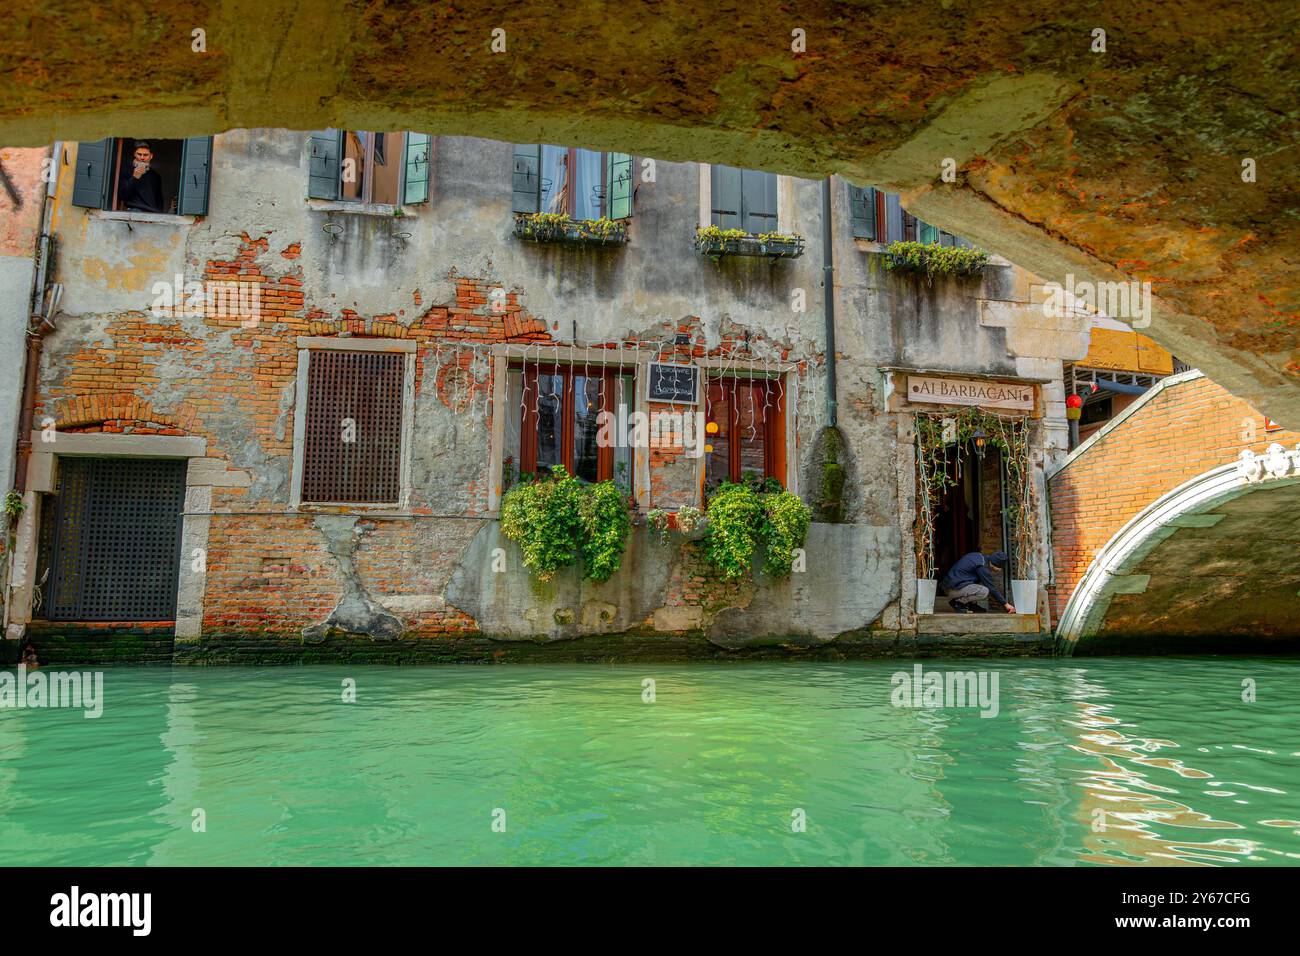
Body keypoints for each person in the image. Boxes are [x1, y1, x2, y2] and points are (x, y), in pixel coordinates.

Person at [940, 550, 1016, 614]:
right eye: (1000, 568)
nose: (999, 570)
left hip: (951, 586)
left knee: (978, 583)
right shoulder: (982, 566)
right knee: (984, 591)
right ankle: (959, 602)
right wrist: (1006, 604)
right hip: (952, 589)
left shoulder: (980, 557)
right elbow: (992, 588)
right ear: (996, 564)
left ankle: (971, 605)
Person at [118, 140, 165, 213]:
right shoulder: (126, 169)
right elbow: (123, 195)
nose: (142, 157)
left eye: (145, 155)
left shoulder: (155, 176)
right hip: (134, 211)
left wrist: (157, 217)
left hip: (153, 214)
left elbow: (159, 201)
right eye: (139, 154)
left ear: (151, 156)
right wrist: (134, 178)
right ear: (134, 154)